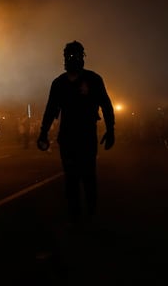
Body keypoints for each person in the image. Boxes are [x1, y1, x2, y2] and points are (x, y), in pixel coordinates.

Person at [37, 40, 115, 224]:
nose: (72, 59)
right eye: (69, 56)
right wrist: (43, 133)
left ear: (82, 58)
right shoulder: (59, 83)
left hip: (87, 137)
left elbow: (106, 105)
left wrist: (111, 129)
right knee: (71, 178)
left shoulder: (94, 80)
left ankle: (91, 212)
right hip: (67, 138)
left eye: (76, 55)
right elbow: (50, 110)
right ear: (64, 59)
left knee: (88, 176)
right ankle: (76, 216)